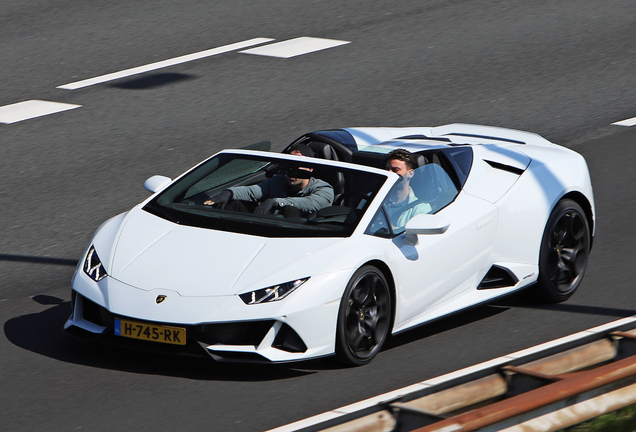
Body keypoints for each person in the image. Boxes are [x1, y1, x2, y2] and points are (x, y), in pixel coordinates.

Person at [204, 144, 334, 217]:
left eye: (296, 165)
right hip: (267, 227)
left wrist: (275, 202)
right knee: (234, 204)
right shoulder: (278, 180)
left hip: (299, 239)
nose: (291, 170)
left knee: (290, 210)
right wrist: (229, 193)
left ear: (310, 168)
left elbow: (309, 203)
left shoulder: (324, 189)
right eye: (289, 164)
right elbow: (253, 191)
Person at [384, 148, 432, 229]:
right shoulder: (371, 198)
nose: (389, 173)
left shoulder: (420, 209)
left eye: (395, 170)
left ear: (410, 173)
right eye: (387, 169)